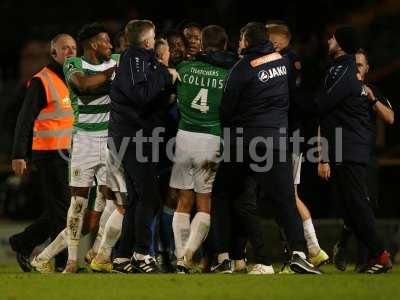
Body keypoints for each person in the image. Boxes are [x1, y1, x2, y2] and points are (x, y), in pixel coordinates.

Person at [211, 22, 320, 275]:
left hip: (246, 143)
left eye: (240, 40)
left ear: (247, 42)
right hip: (278, 140)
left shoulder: (242, 68)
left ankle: (227, 258)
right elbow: (293, 96)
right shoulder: (283, 63)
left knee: (222, 194)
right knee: (285, 200)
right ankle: (299, 254)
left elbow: (226, 109)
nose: (239, 44)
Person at [302, 25, 392, 274]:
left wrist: (296, 103)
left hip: (351, 147)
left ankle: (380, 255)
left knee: (359, 204)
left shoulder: (343, 70)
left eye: (333, 37)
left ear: (341, 43)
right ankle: (364, 252)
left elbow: (322, 103)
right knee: (352, 206)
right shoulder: (338, 68)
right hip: (344, 147)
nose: (329, 40)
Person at [30, 23, 119, 273]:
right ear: (93, 44)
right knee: (78, 203)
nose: (110, 45)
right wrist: (112, 74)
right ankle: (70, 261)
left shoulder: (116, 59)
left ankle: (98, 253)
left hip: (111, 140)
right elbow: (82, 86)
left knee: (112, 200)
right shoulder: (74, 64)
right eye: (106, 40)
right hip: (84, 141)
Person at [109, 19, 179, 273]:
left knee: (138, 198)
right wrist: (163, 72)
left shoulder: (134, 58)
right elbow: (141, 95)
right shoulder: (135, 59)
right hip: (132, 137)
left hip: (133, 135)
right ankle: (141, 253)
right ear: (148, 41)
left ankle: (121, 257)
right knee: (149, 196)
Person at [169, 25, 237, 273]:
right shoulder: (229, 73)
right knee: (204, 203)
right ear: (225, 45)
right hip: (211, 138)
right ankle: (187, 256)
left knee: (183, 202)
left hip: (185, 136)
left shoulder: (184, 68)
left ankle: (179, 258)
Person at [9, 34, 77, 272]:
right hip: (49, 154)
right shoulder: (42, 80)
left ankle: (23, 242)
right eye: (64, 48)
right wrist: (19, 153)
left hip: (70, 153)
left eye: (73, 48)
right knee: (63, 211)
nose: (70, 52)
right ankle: (63, 262)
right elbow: (24, 119)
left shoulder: (75, 78)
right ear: (54, 53)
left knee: (65, 209)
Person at [267, 24, 329, 271]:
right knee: (286, 196)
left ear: (279, 41)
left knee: (289, 196)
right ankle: (309, 249)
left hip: (288, 139)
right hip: (289, 137)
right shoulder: (290, 62)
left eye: (270, 39)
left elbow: (292, 101)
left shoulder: (287, 63)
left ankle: (311, 249)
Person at [327, 48, 394, 273]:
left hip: (366, 157)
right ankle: (354, 248)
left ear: (367, 69)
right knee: (352, 208)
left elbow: (390, 118)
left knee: (363, 207)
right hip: (342, 155)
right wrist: (322, 158)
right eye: (352, 64)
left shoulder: (373, 91)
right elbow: (323, 122)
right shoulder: (340, 91)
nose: (356, 69)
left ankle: (366, 259)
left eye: (360, 65)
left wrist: (373, 99)